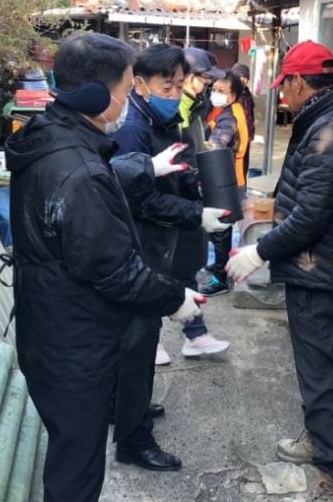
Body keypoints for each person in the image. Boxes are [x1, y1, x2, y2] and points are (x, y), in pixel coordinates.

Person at [5, 33, 203, 502]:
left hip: (50, 329)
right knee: (76, 472)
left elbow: (93, 181)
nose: (127, 102)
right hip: (73, 347)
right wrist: (175, 299)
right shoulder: (79, 173)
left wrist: (145, 169)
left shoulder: (50, 137)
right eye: (126, 89)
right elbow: (114, 271)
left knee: (72, 454)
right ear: (96, 96)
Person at [226, 40, 333, 500]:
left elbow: (309, 215)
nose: (282, 96)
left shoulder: (331, 130)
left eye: (283, 86)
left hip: (316, 270)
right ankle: (326, 440)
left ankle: (329, 456)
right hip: (326, 264)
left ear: (297, 82)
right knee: (321, 361)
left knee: (318, 366)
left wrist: (259, 252)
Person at [111, 44, 230, 471]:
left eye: (180, 85)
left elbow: (170, 177)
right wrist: (196, 215)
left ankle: (128, 409)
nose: (175, 93)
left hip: (159, 245)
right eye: (168, 86)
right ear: (140, 85)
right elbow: (140, 200)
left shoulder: (161, 119)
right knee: (136, 343)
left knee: (140, 343)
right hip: (140, 248)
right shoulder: (132, 130)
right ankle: (133, 440)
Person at [200, 71, 250, 296]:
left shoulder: (228, 118)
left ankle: (220, 279)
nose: (215, 94)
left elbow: (216, 144)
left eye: (222, 91)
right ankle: (221, 266)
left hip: (225, 179)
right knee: (223, 228)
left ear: (233, 96)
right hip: (229, 177)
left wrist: (197, 145)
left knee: (220, 228)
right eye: (214, 89)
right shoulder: (233, 110)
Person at [231, 62, 255, 177]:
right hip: (234, 139)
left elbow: (250, 113)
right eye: (241, 77)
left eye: (246, 78)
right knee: (233, 170)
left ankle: (242, 187)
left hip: (246, 138)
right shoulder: (231, 94)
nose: (244, 81)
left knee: (243, 169)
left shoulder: (247, 94)